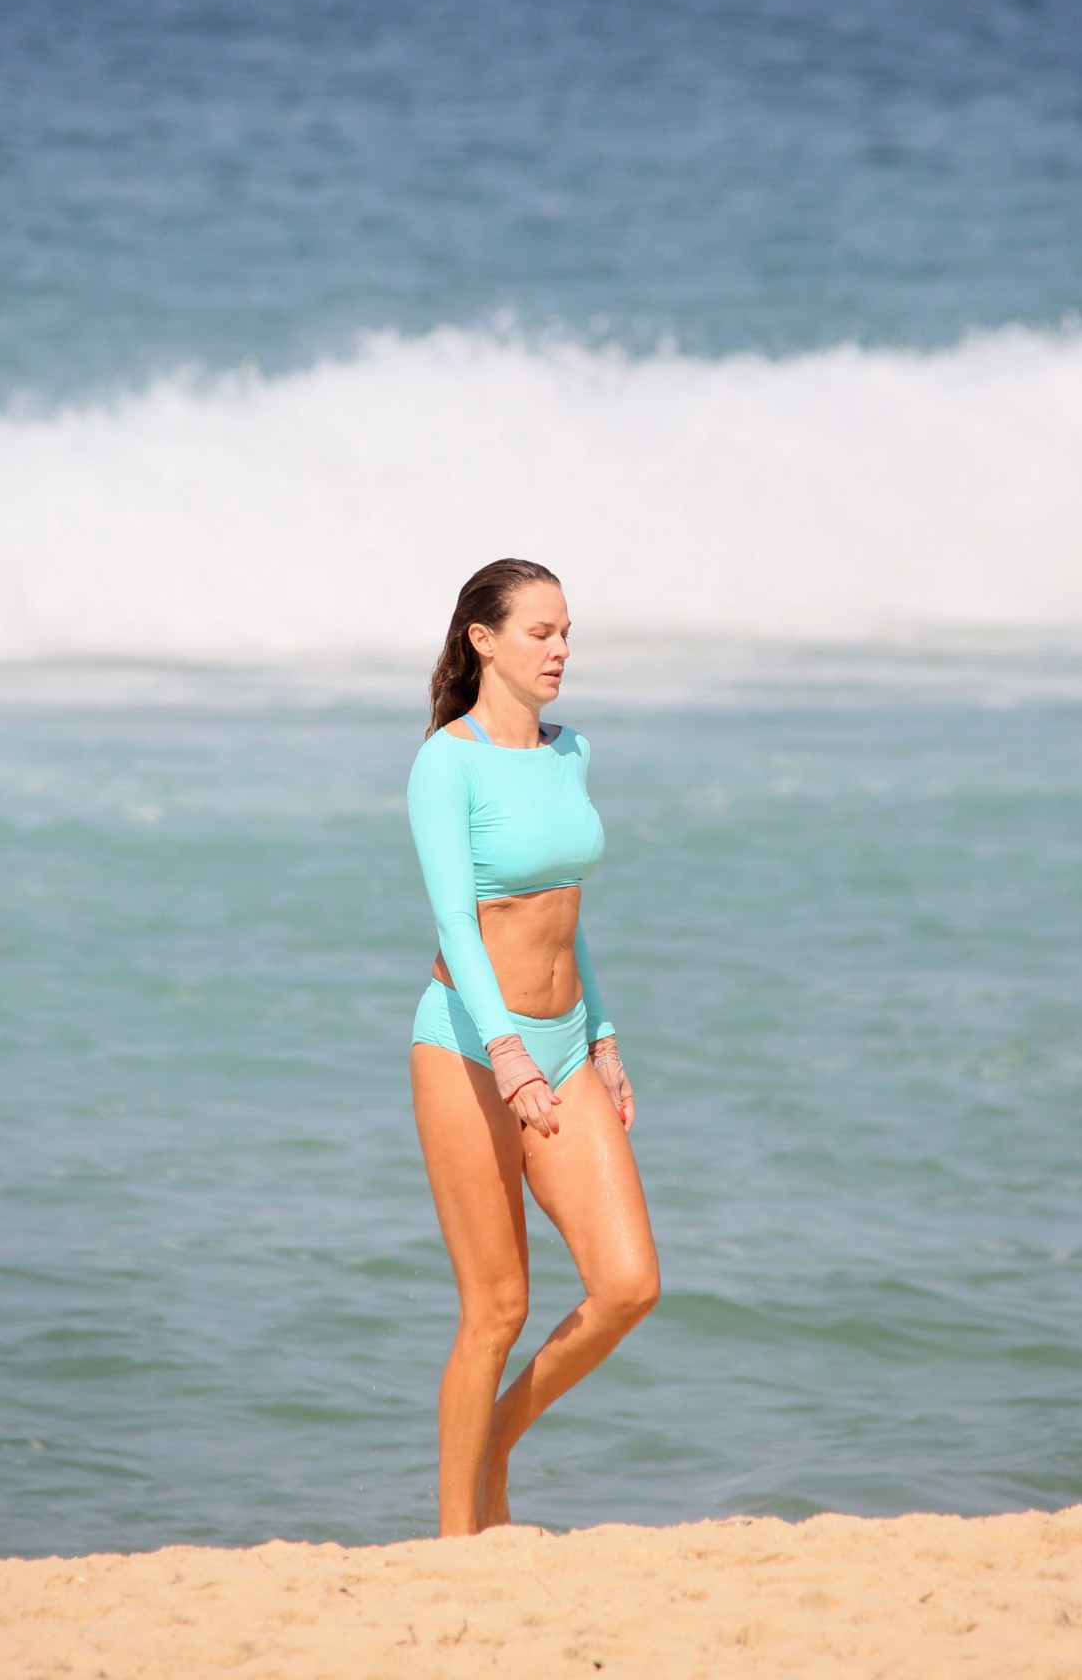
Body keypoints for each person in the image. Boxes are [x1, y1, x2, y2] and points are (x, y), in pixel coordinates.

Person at [406, 556, 660, 1535]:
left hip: (565, 1043)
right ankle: (454, 1540)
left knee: (628, 1286)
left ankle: (498, 1442)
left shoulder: (570, 751)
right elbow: (457, 922)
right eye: (539, 634)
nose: (559, 652)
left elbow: (565, 910)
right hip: (470, 1049)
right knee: (496, 1309)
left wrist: (602, 1033)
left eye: (566, 635)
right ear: (483, 641)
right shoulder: (448, 761)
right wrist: (507, 1053)